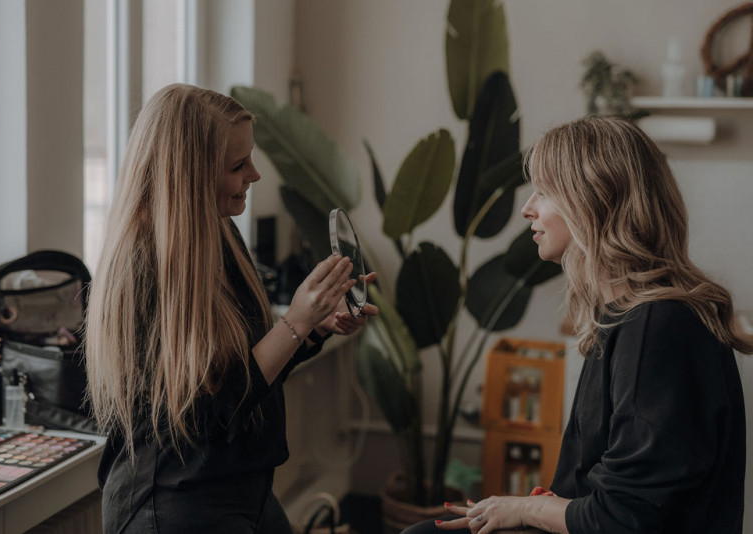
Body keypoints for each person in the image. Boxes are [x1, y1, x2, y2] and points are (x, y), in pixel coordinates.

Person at [405, 116, 751, 534]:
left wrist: (526, 511)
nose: (527, 208)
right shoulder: (627, 315)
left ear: (595, 202)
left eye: (545, 192)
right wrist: (547, 505)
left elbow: (622, 517)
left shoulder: (658, 325)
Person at [85, 83, 378, 533]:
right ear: (190, 173)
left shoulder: (219, 233)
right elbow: (205, 410)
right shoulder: (143, 262)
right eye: (238, 165)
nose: (255, 175)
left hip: (240, 487)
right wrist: (295, 323)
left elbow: (244, 367)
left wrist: (316, 325)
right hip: (171, 503)